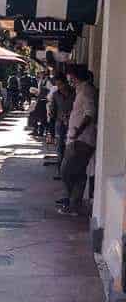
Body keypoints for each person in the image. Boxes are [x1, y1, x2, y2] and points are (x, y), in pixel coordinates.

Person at [58, 68, 97, 215]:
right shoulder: (81, 90)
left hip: (81, 140)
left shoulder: (86, 90)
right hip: (78, 138)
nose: (70, 81)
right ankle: (74, 205)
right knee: (79, 174)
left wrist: (78, 132)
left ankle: (73, 202)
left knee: (66, 171)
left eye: (71, 78)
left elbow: (89, 114)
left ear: (77, 77)